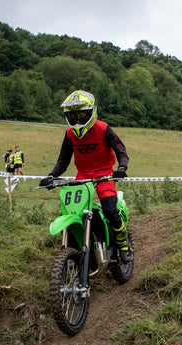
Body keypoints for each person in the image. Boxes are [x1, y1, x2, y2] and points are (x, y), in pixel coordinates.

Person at [39, 90, 133, 262]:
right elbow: (63, 160)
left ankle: (123, 243)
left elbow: (121, 150)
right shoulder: (69, 134)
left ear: (91, 112)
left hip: (104, 174)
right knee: (74, 211)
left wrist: (121, 167)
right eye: (73, 115)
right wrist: (51, 176)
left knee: (111, 211)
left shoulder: (103, 129)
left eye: (81, 114)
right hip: (82, 176)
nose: (77, 119)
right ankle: (80, 248)